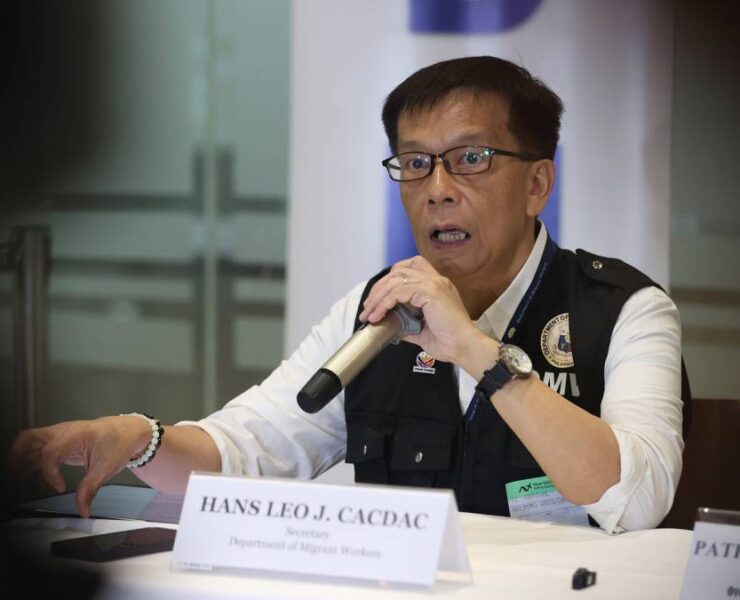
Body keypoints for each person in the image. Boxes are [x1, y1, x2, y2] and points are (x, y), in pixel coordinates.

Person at [8, 56, 688, 534]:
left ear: (537, 184)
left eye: (470, 159)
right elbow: (245, 452)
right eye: (415, 163)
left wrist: (477, 351)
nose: (438, 189)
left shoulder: (626, 309)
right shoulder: (374, 312)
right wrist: (139, 438)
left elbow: (640, 499)